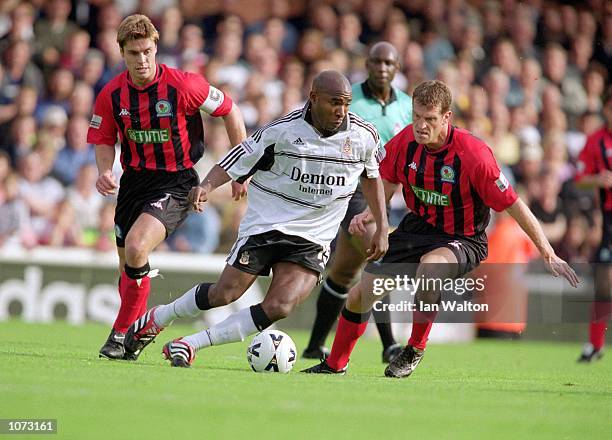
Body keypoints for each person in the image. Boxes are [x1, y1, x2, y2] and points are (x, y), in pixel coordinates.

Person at [303, 80, 579, 377]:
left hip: (463, 238)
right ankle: (335, 365)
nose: (421, 125)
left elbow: (514, 204)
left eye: (430, 119)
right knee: (361, 294)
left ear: (447, 117)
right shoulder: (406, 141)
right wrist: (372, 213)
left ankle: (414, 349)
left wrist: (548, 253)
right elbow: (389, 180)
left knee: (430, 268)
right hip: (417, 229)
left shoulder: (474, 155)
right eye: (416, 116)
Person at [124, 70, 389, 368]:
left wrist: (380, 224)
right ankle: (159, 317)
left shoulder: (363, 135)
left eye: (346, 103)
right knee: (225, 293)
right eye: (334, 103)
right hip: (267, 225)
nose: (341, 111)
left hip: (313, 236)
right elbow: (238, 158)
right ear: (313, 98)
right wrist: (206, 186)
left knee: (281, 305)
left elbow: (373, 176)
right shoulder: (281, 131)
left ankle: (190, 343)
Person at [86, 14, 248, 360]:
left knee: (136, 247)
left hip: (176, 182)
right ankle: (136, 328)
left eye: (146, 51)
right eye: (133, 54)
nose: (141, 60)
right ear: (122, 53)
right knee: (127, 267)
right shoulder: (112, 94)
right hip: (133, 183)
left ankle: (118, 337)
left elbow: (231, 111)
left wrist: (240, 170)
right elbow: (103, 138)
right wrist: (104, 170)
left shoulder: (184, 85)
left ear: (156, 48)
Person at [303, 42, 412, 363]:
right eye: (376, 61)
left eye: (388, 62)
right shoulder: (350, 99)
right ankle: (390, 345)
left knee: (344, 271)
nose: (381, 68)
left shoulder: (406, 105)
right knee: (377, 251)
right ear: (367, 64)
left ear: (397, 67)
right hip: (350, 190)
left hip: (384, 193)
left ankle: (314, 344)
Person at [575, 86, 612, 362]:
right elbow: (580, 178)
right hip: (608, 219)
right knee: (604, 283)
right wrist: (598, 180)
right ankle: (595, 344)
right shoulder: (596, 141)